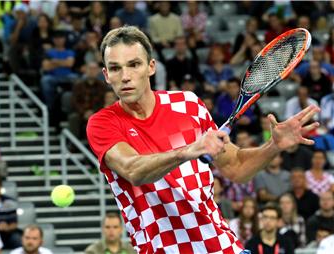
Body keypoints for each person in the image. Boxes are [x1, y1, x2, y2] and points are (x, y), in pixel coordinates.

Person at [87, 26, 320, 253]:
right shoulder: (103, 123)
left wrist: (273, 147)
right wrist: (189, 150)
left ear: (151, 67)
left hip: (221, 246)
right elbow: (134, 170)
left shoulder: (187, 104)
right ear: (106, 75)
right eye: (115, 68)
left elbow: (236, 167)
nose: (125, 76)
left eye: (134, 64)